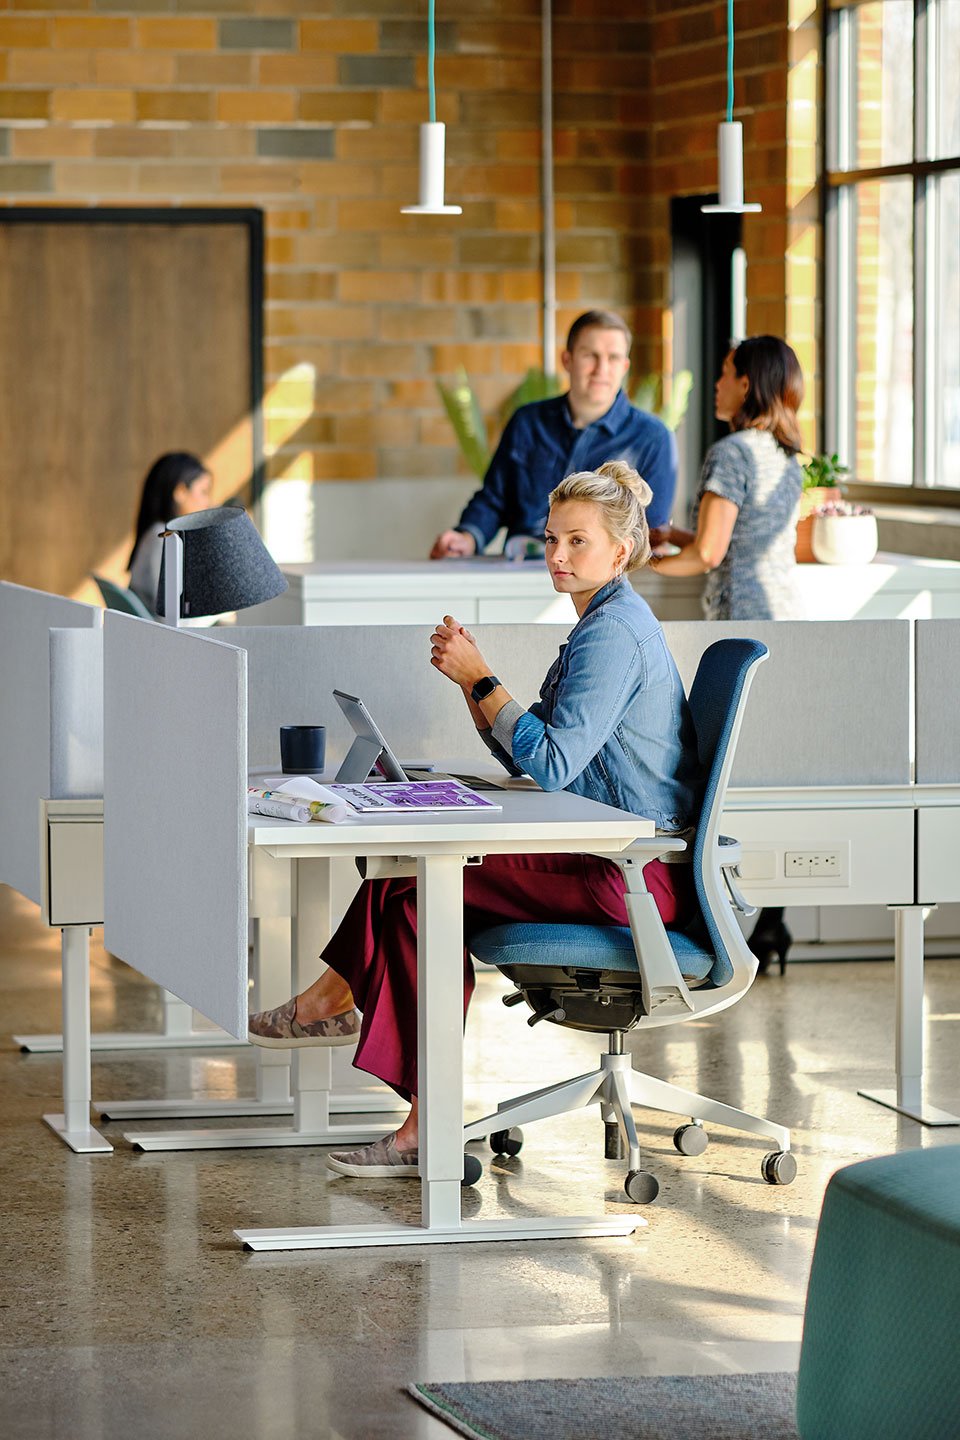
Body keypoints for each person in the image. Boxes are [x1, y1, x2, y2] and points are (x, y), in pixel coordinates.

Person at [249, 461, 705, 1178]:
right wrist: (475, 694)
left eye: (576, 542)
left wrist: (480, 678)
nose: (557, 555)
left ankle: (365, 1041)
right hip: (608, 856)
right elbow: (538, 753)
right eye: (551, 539)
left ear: (620, 552)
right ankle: (368, 1049)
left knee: (418, 878)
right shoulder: (599, 625)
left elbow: (551, 764)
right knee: (414, 877)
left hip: (628, 874)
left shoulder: (614, 633)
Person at [650, 335, 806, 971]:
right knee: (762, 775)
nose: (715, 384)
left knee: (713, 777)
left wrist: (635, 561)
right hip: (784, 621)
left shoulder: (732, 449)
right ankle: (771, 925)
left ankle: (710, 918)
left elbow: (711, 557)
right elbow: (742, 536)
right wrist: (676, 537)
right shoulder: (784, 452)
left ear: (747, 383)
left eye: (723, 373)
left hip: (739, 618)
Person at [429, 310, 677, 560]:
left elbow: (650, 532)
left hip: (599, 584)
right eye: (590, 355)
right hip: (521, 570)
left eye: (613, 358)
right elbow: (495, 499)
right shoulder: (527, 422)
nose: (601, 369)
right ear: (567, 360)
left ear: (624, 366)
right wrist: (467, 537)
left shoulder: (653, 438)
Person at [128, 452, 213, 614]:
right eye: (203, 492)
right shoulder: (162, 539)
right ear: (180, 492)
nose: (208, 502)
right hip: (159, 635)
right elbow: (170, 614)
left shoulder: (157, 534)